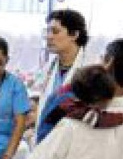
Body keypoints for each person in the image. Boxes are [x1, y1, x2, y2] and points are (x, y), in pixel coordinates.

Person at [36, 9, 91, 143]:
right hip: (45, 139)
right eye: (47, 31)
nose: (49, 36)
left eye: (55, 31)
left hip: (74, 142)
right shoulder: (48, 67)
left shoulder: (90, 70)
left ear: (74, 34)